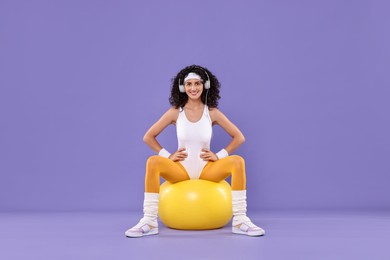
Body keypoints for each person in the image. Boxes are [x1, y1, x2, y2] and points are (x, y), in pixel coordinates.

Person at [125, 65, 265, 238]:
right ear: (183, 87)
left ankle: (240, 220)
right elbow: (148, 136)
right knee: (153, 161)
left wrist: (219, 155)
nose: (193, 88)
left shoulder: (212, 112)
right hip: (181, 170)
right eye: (189, 84)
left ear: (205, 85)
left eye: (197, 83)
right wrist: (167, 156)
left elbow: (239, 137)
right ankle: (149, 221)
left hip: (206, 169)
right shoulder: (175, 112)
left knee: (237, 161)